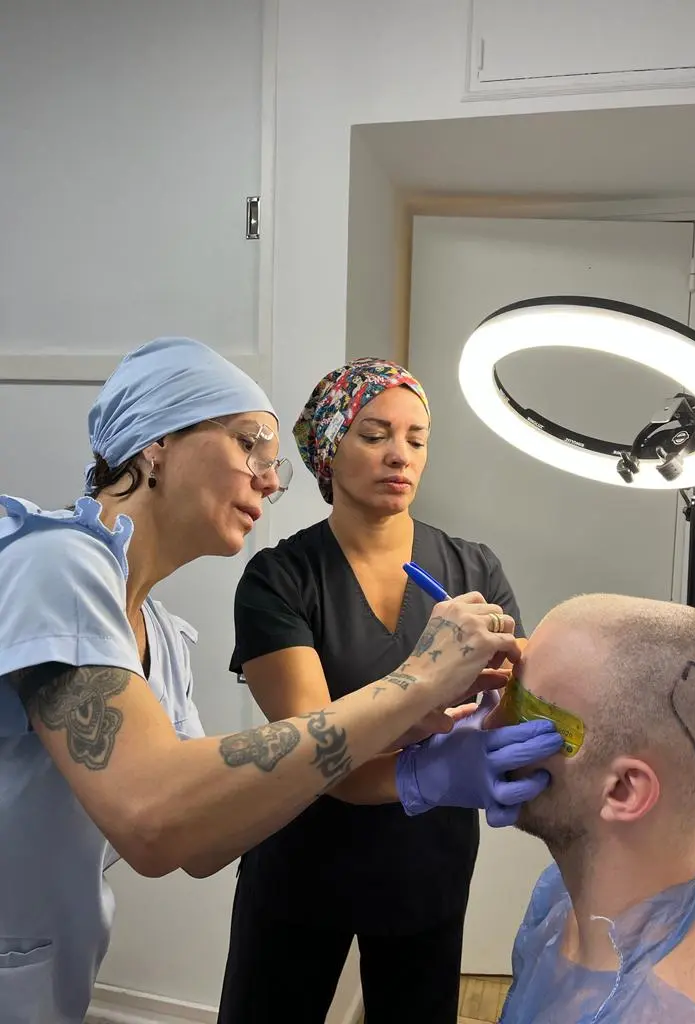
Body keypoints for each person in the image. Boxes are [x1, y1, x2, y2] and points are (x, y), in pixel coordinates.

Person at [0, 337, 558, 1024]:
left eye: (272, 462)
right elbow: (150, 812)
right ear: (157, 443)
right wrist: (414, 689)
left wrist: (410, 748)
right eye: (249, 445)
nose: (269, 478)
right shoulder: (56, 562)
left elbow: (195, 843)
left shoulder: (161, 640)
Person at [217, 358, 557, 1024]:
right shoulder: (279, 580)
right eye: (374, 434)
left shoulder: (472, 570)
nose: (398, 454)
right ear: (328, 447)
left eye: (416, 439)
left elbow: (516, 701)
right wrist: (425, 760)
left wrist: (524, 708)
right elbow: (316, 756)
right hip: (299, 867)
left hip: (424, 868)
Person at [491, 594, 695, 1023]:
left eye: (524, 711)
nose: (489, 723)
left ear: (623, 790)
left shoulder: (688, 1010)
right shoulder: (568, 896)